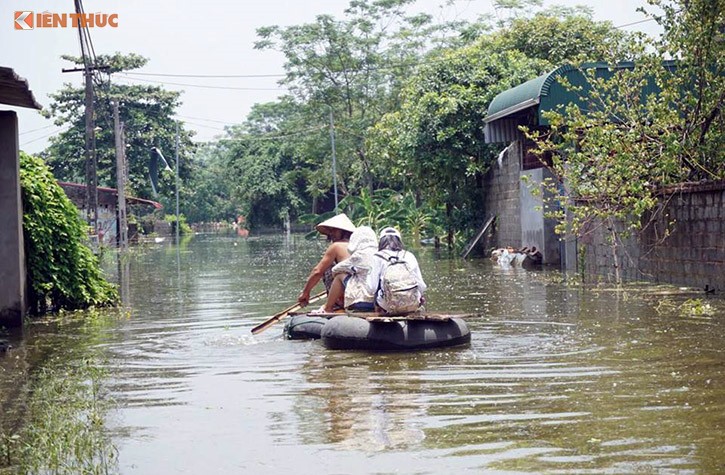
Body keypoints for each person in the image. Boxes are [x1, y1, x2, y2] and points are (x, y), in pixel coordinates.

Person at [312, 226, 378, 313]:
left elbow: (334, 270)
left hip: (362, 302)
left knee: (339, 276)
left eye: (334, 230)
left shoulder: (357, 256)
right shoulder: (380, 255)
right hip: (378, 302)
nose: (331, 234)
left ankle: (328, 308)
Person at [297, 213, 356, 307]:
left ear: (344, 231)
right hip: (359, 292)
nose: (331, 234)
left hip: (348, 294)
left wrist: (305, 293)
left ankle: (335, 303)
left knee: (329, 269)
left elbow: (317, 271)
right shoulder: (360, 246)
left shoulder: (336, 246)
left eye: (334, 230)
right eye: (330, 231)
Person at [367, 227, 427, 314]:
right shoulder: (409, 255)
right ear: (399, 240)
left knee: (377, 292)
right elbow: (422, 286)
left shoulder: (376, 257)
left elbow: (371, 288)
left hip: (387, 305)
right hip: (412, 302)